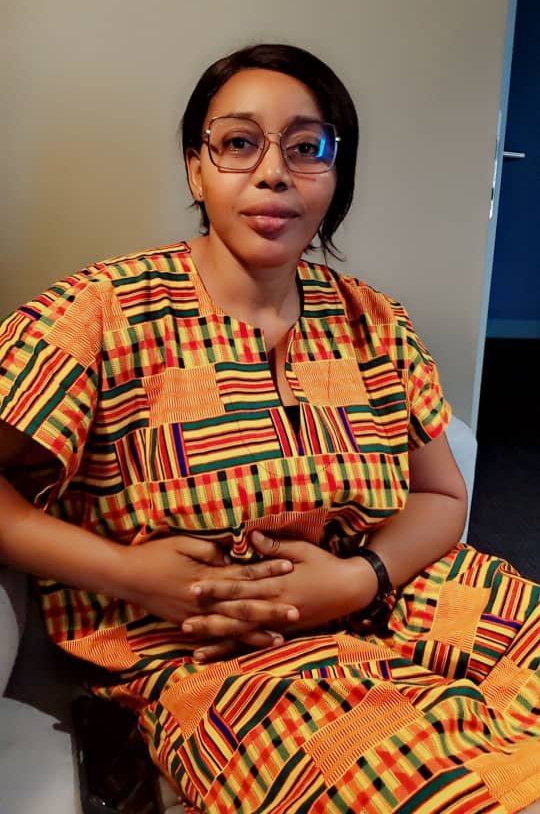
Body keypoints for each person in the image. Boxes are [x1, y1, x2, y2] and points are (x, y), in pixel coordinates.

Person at [0, 43, 538, 814]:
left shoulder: (371, 320)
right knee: (430, 790)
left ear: (335, 174)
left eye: (306, 147)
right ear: (196, 169)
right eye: (239, 142)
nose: (274, 172)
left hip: (401, 593)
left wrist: (358, 577)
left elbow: (441, 496)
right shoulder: (100, 313)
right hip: (217, 653)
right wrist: (127, 574)